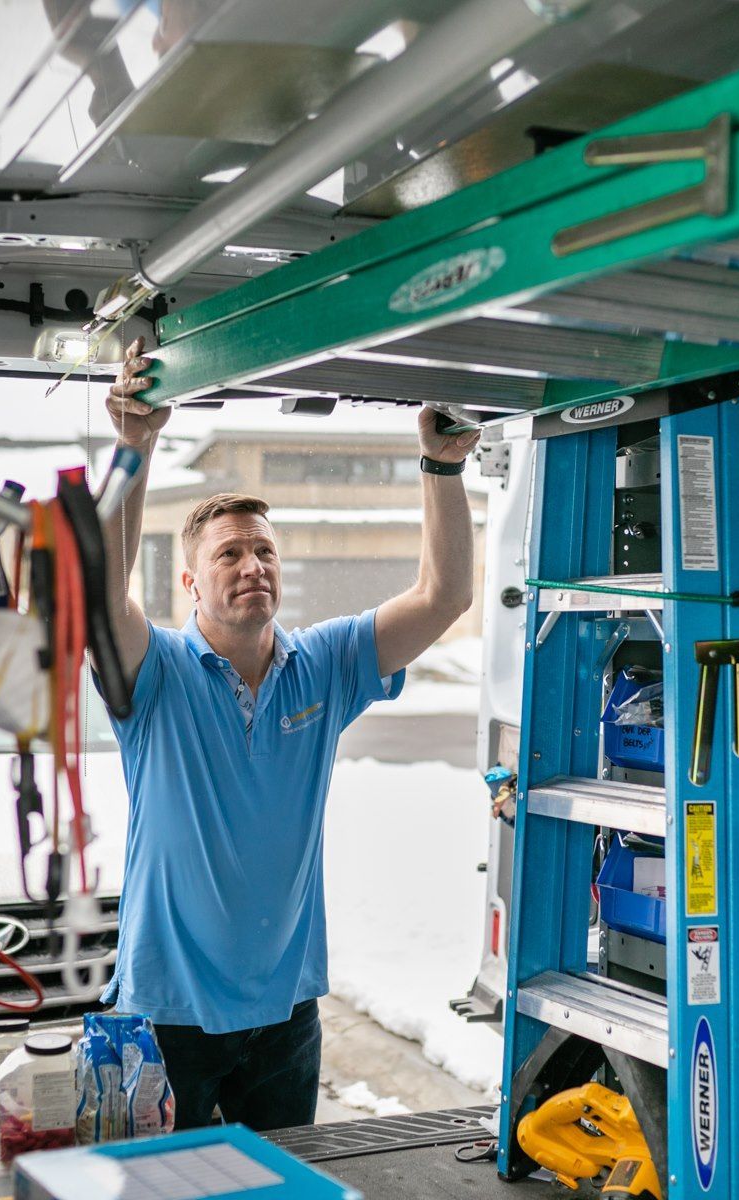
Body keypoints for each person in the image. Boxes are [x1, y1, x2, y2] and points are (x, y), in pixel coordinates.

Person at [94, 336, 480, 1131]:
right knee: (162, 1194)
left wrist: (442, 469)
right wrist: (135, 447)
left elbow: (443, 597)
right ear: (191, 582)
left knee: (279, 1187)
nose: (252, 565)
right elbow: (102, 594)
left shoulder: (325, 665)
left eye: (264, 551)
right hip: (169, 1012)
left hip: (287, 1010)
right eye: (229, 553)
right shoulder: (157, 672)